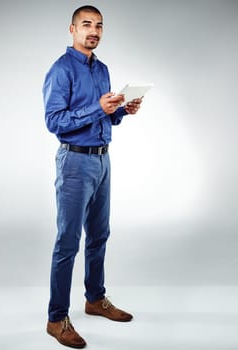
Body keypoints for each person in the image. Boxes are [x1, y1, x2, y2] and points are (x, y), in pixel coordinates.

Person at [42, 5, 143, 348]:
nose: (94, 30)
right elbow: (55, 122)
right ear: (72, 29)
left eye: (99, 25)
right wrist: (98, 107)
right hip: (74, 163)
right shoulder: (60, 70)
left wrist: (122, 111)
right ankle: (56, 319)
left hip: (102, 161)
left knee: (100, 234)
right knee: (68, 241)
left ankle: (95, 299)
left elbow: (106, 118)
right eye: (86, 24)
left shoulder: (102, 69)